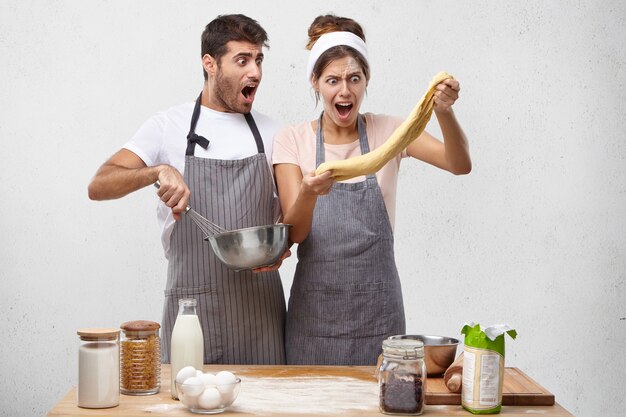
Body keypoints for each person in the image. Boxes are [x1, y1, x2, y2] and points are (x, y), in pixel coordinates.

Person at [88, 14, 288, 365]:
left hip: (261, 315)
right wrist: (158, 171)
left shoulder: (274, 133)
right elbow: (99, 184)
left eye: (258, 60)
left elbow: (293, 216)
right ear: (209, 63)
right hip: (192, 313)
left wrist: (286, 242)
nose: (255, 72)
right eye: (242, 60)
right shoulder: (168, 126)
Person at [273, 14, 471, 365]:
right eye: (332, 80)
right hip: (314, 320)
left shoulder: (391, 133)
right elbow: (296, 233)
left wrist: (442, 112)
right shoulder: (292, 140)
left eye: (354, 78)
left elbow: (459, 164)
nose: (344, 90)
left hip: (378, 316)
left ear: (366, 81)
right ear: (315, 82)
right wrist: (307, 191)